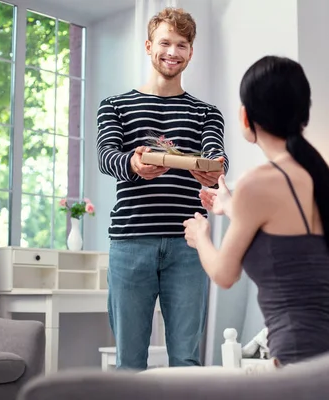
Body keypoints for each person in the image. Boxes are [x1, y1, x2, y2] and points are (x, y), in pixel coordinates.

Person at [183, 55, 329, 366]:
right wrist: (230, 205)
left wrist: (201, 237)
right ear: (303, 114)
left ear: (246, 117)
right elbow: (293, 242)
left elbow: (224, 274)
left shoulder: (257, 184)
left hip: (298, 363)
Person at [96, 7, 228, 370]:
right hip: (130, 243)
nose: (172, 52)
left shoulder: (206, 112)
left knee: (186, 360)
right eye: (165, 43)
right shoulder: (115, 106)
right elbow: (106, 156)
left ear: (190, 52)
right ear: (148, 46)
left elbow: (216, 155)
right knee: (130, 362)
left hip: (188, 246)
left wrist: (214, 170)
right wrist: (134, 165)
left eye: (181, 45)